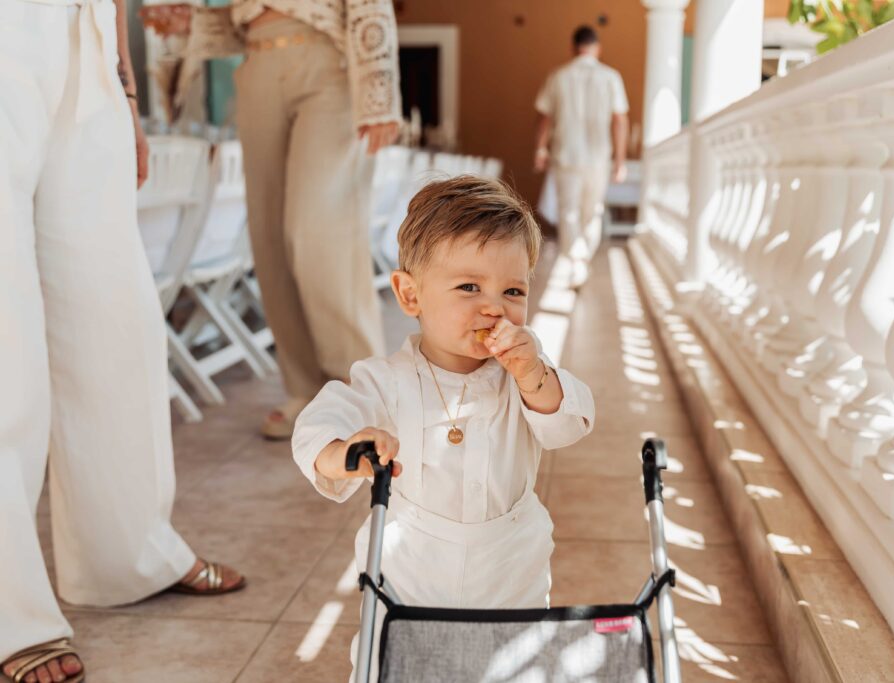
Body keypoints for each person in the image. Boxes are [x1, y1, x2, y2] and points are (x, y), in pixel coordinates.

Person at [1, 2, 244, 682]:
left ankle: (129, 554)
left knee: (115, 318)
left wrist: (127, 96)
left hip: (89, 44)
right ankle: (8, 612)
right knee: (5, 343)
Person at [292, 176, 596, 678]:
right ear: (410, 295)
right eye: (469, 287)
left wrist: (534, 374)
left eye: (513, 290)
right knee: (393, 666)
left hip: (510, 574)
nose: (494, 306)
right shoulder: (384, 380)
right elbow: (319, 423)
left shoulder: (522, 377)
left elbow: (570, 421)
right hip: (410, 574)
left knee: (511, 667)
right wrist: (347, 448)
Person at [143, 0, 403, 441]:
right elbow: (245, 19)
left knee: (319, 234)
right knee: (269, 236)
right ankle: (305, 390)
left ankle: (360, 392)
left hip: (328, 66)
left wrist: (378, 92)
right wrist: (193, 23)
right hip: (259, 65)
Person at [534, 24, 630, 289]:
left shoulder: (559, 76)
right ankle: (581, 259)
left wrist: (541, 149)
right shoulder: (611, 77)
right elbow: (620, 121)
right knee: (593, 211)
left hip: (566, 155)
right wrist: (620, 161)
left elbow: (545, 119)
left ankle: (577, 261)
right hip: (599, 158)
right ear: (597, 48)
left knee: (569, 212)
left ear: (573, 47)